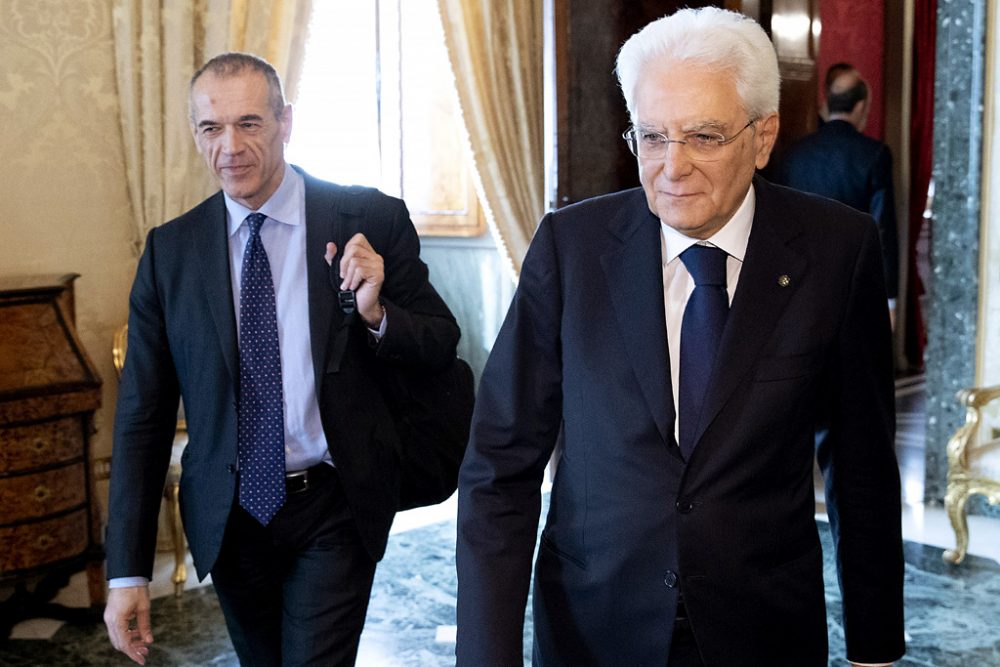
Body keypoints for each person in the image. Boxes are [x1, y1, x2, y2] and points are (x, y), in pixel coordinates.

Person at [455, 8, 904, 667]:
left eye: (704, 136)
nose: (673, 166)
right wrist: (486, 656)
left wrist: (874, 646)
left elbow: (861, 459)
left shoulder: (838, 251)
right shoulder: (570, 249)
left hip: (764, 629)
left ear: (763, 135)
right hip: (594, 627)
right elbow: (501, 461)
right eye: (653, 136)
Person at [103, 52, 460, 665]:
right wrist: (126, 572)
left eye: (249, 123)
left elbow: (439, 342)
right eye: (211, 129)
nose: (230, 147)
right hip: (232, 514)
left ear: (285, 122)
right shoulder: (171, 253)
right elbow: (143, 416)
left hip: (336, 500)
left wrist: (377, 314)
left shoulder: (368, 218)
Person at [778, 70, 900, 321]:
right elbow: (882, 229)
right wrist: (889, 297)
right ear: (861, 105)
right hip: (852, 280)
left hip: (797, 280)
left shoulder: (794, 153)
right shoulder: (874, 155)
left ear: (828, 103)